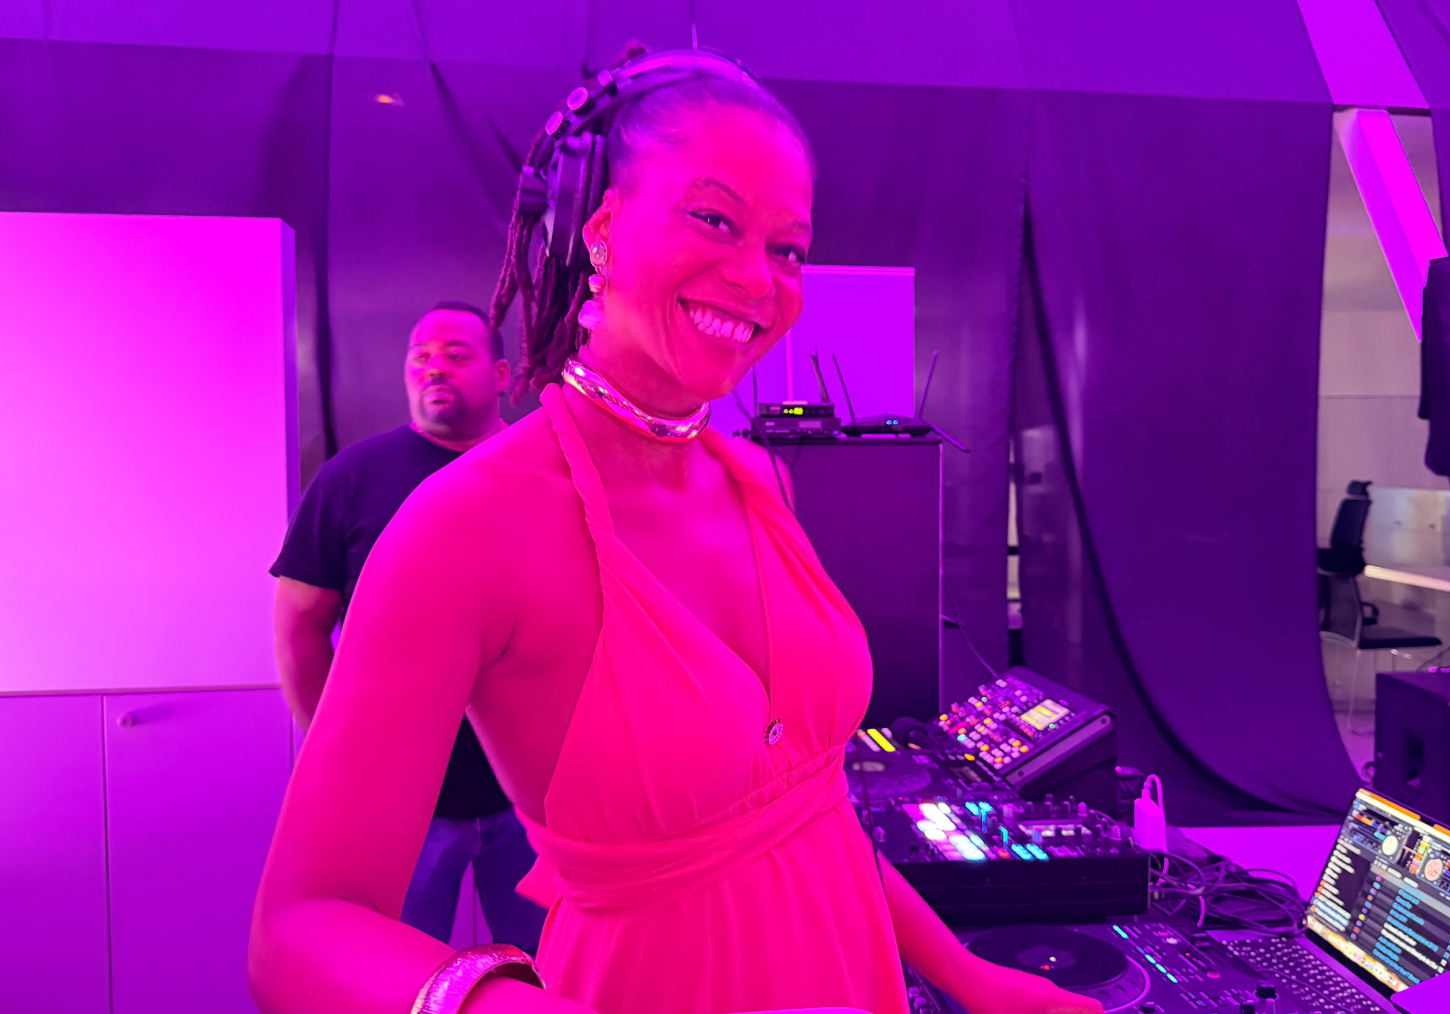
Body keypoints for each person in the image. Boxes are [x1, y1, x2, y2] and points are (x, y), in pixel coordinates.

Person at [250, 50, 1102, 1014]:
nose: (757, 279)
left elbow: (811, 815)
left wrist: (970, 977)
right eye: (714, 220)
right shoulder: (467, 525)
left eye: (788, 249)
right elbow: (298, 928)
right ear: (604, 229)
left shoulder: (764, 484)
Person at [267, 302, 544, 953]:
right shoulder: (351, 479)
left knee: (552, 976)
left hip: (539, 803)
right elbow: (299, 625)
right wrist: (332, 752)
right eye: (420, 357)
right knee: (397, 977)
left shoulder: (552, 471)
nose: (434, 368)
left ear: (502, 374)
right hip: (402, 807)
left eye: (456, 354)